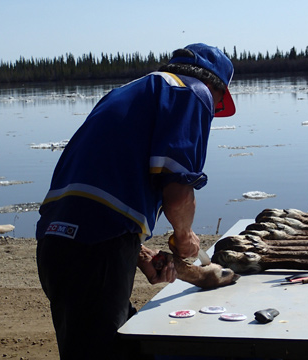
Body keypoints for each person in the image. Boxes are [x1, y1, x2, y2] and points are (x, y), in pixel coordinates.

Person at [35, 43, 235, 359]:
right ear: (217, 89)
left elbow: (91, 197)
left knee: (114, 346)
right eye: (219, 102)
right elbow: (178, 191)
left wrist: (136, 252)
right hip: (95, 251)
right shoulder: (193, 93)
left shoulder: (130, 91)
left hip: (55, 244)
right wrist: (185, 240)